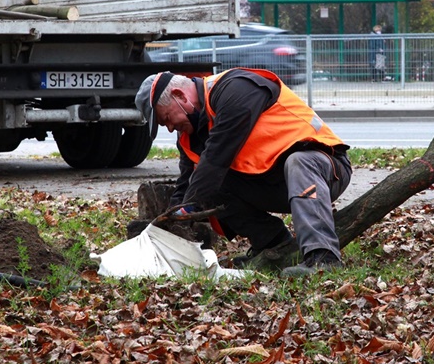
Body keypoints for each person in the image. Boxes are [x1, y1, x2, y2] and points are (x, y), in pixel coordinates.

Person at [134, 68, 352, 276]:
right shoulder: (189, 138)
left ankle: (323, 258)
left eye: (166, 119)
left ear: (180, 95)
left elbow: (218, 153)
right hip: (275, 182)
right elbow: (186, 184)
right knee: (209, 187)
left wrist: (189, 205)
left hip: (326, 168)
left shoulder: (235, 88)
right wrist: (166, 224)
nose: (170, 128)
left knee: (297, 161)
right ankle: (274, 243)